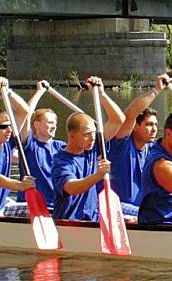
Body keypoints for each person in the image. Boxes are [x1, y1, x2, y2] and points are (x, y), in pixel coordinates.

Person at [51, 76, 126, 221]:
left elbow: (118, 119)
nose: (93, 138)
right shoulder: (61, 161)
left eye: (93, 133)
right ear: (72, 135)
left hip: (92, 220)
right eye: (86, 134)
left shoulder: (92, 148)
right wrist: (98, 175)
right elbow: (71, 188)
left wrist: (101, 95)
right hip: (67, 221)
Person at [107, 74, 165, 209]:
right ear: (135, 127)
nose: (154, 129)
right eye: (149, 125)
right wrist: (156, 91)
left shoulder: (153, 148)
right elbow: (131, 113)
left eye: (156, 125)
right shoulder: (122, 143)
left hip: (142, 207)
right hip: (118, 206)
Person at [16, 81, 63, 209]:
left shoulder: (61, 147)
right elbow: (26, 115)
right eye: (49, 122)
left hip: (55, 206)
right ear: (36, 124)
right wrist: (39, 92)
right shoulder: (29, 144)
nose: (54, 126)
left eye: (55, 123)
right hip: (31, 205)